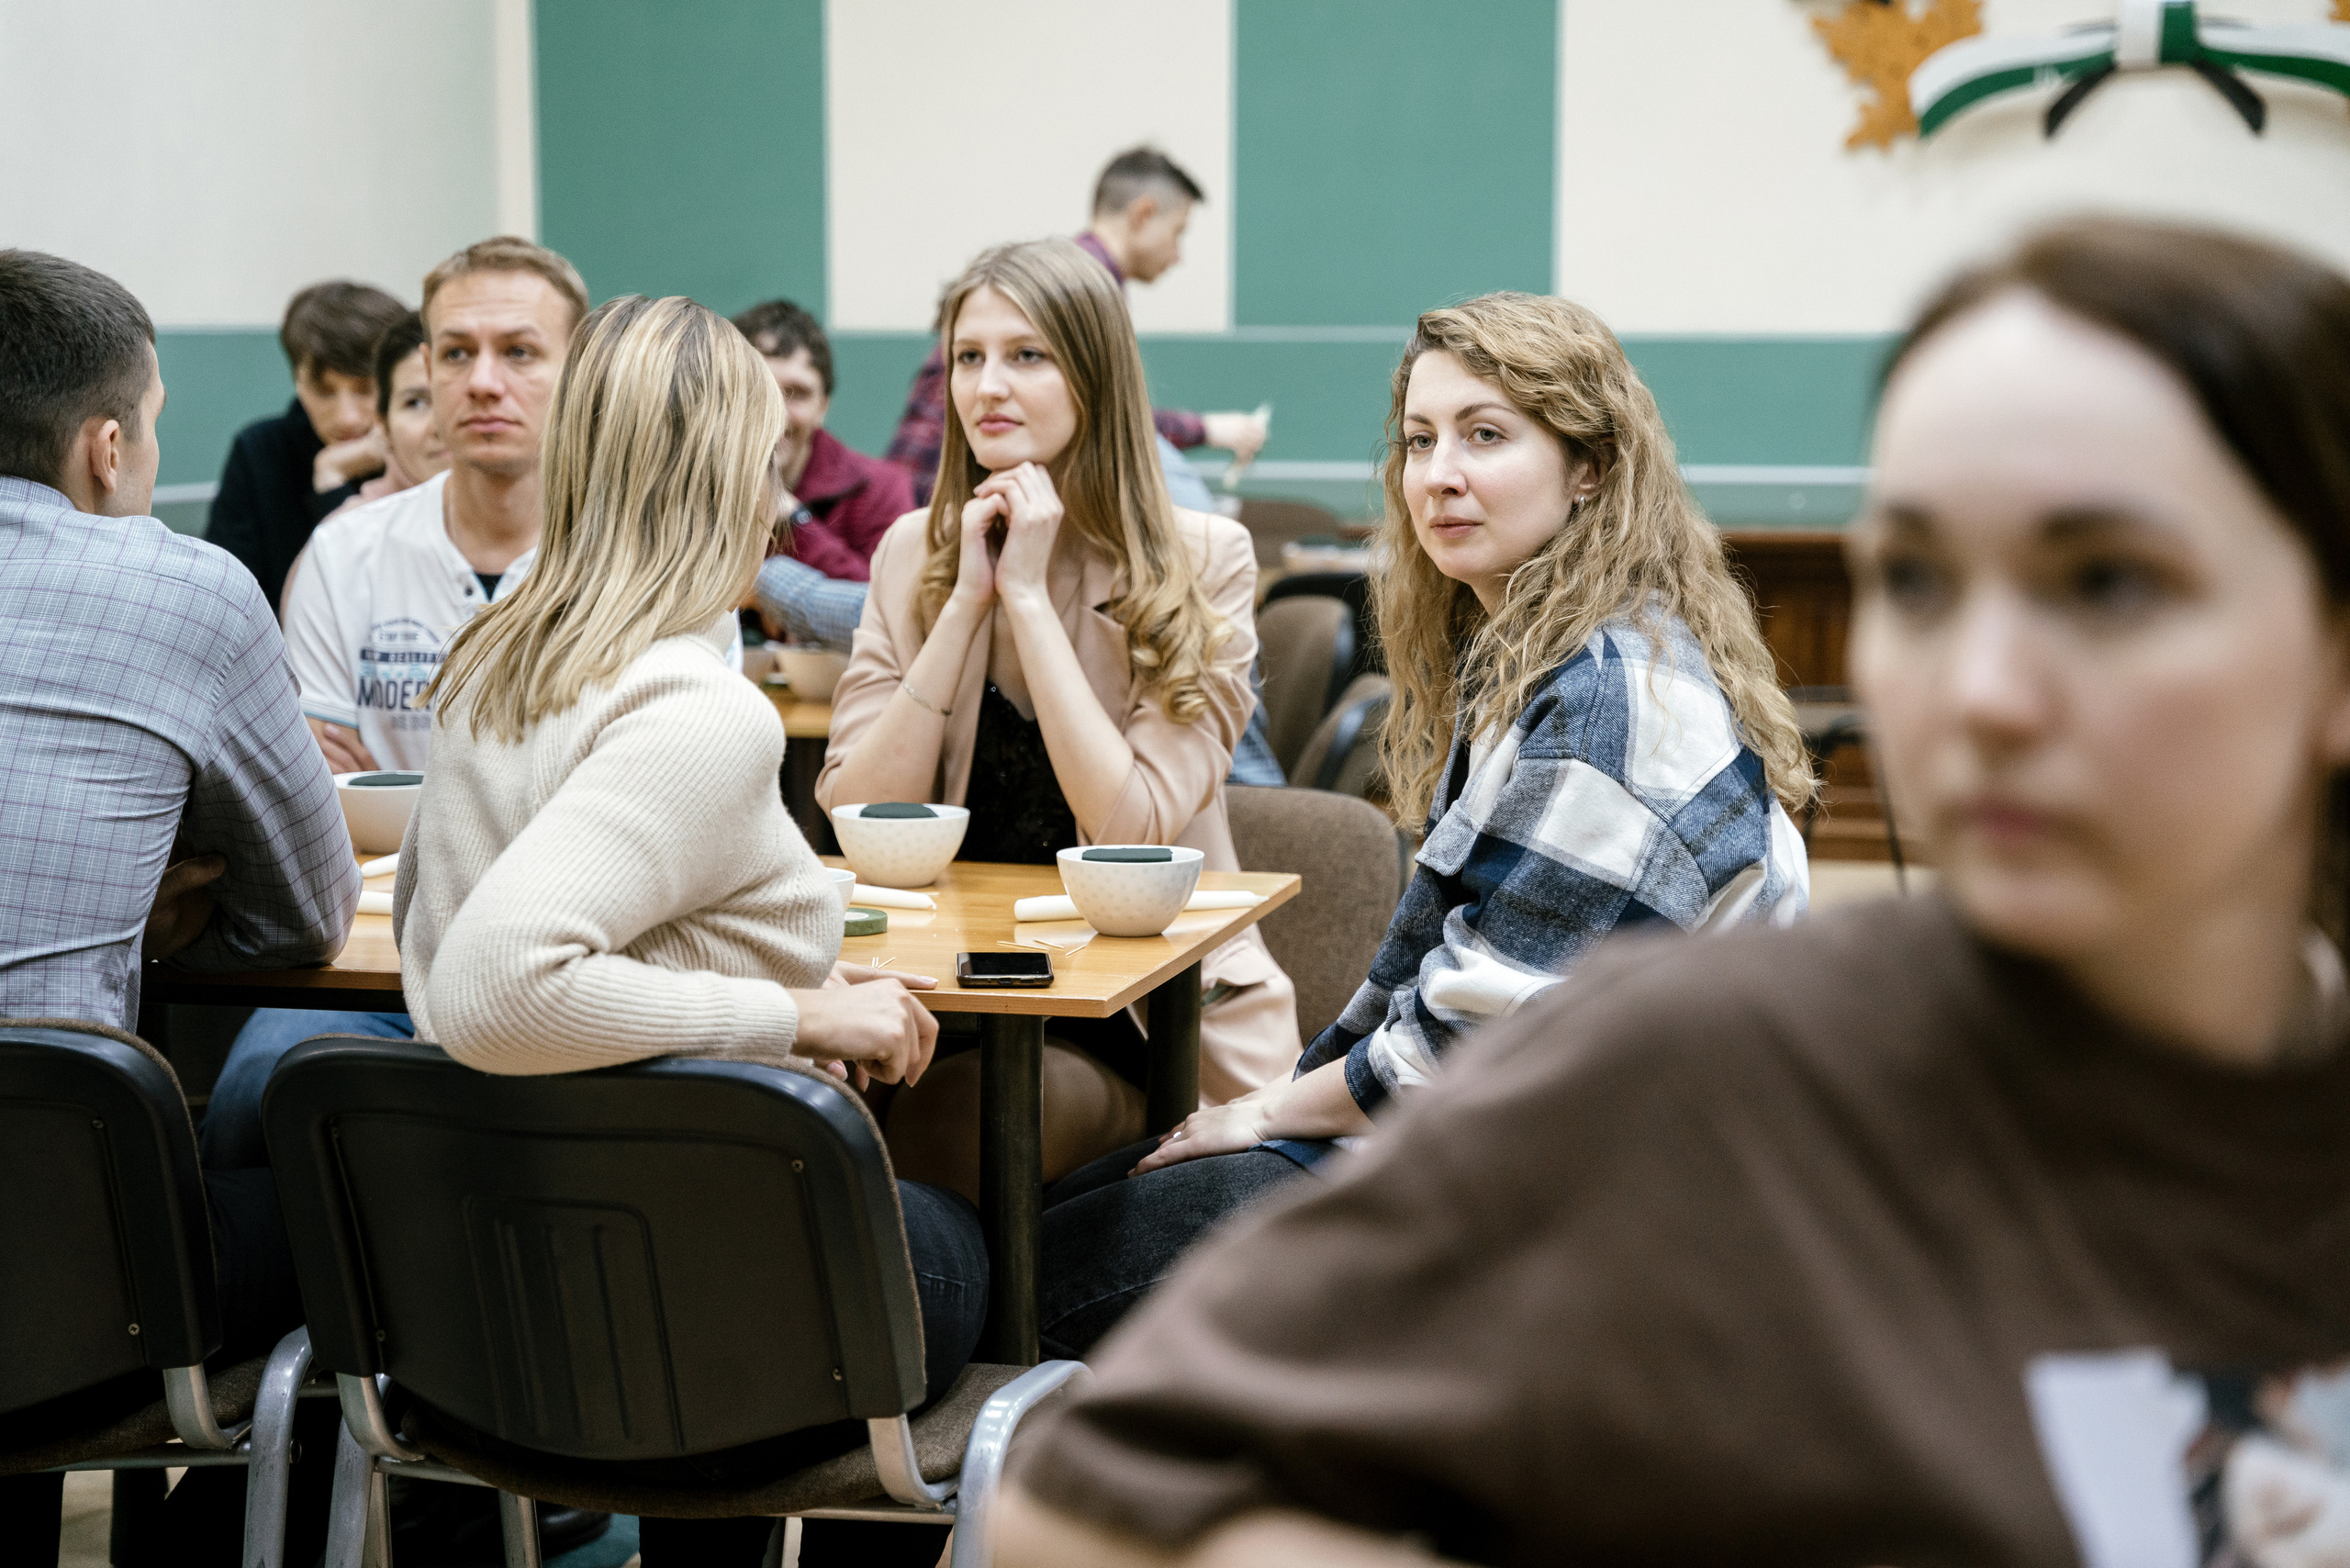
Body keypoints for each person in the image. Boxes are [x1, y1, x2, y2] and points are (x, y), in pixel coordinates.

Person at [996, 217, 2350, 1566]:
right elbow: (1074, 1504)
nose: (1980, 689)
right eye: (1920, 581)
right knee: (1026, 1269)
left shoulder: (1613, 708)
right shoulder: (1718, 1065)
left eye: (2109, 581)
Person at [1032, 291, 1813, 1358]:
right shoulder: (1539, 655)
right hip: (1503, 1142)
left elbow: (1478, 1048)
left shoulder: (1605, 701)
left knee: (1042, 1289)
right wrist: (1272, 1112)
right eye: (1418, 439)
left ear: (1588, 468)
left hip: (1588, 1207)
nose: (1437, 473)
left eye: (1485, 436)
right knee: (1069, 1211)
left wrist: (1266, 1114)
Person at [397, 292, 979, 1568]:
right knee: (1029, 1252)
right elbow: (502, 988)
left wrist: (781, 982)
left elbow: (494, 952)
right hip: (689, 1282)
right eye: (769, 464)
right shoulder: (698, 711)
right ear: (732, 472)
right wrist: (801, 1012)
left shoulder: (493, 660)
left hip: (507, 1285)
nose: (781, 501)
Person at [0, 249, 359, 1563]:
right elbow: (307, 918)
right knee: (348, 1212)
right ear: (105, 446)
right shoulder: (183, 588)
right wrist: (156, 899)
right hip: (64, 1256)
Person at [821, 238, 1301, 1192]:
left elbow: (1131, 828)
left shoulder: (1202, 559)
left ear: (1095, 375)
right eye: (968, 357)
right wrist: (965, 602)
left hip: (1135, 1015)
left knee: (965, 1127)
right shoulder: (913, 551)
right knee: (788, 1114)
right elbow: (861, 818)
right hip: (937, 988)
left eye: (1027, 355)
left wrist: (1032, 601)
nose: (987, 386)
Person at [196, 236, 591, 1174]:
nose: (482, 382)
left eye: (520, 352)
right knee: (257, 1099)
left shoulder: (641, 559)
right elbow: (312, 790)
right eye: (455, 354)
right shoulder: (348, 552)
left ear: (581, 376)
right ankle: (289, 1320)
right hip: (369, 956)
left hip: (581, 953)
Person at [882, 148, 1269, 508]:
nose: (1178, 254)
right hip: (941, 500)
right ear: (1144, 214)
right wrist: (1207, 428)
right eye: (1177, 232)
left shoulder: (1074, 277)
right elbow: (1114, 412)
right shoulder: (1078, 287)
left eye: (1027, 355)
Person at [207, 279, 409, 609]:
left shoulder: (429, 450)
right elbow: (227, 602)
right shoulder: (259, 451)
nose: (347, 418)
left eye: (365, 389)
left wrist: (332, 480)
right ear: (297, 382)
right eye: (324, 391)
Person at [733, 297, 912, 583]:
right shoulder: (689, 484)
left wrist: (793, 521)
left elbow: (889, 608)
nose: (775, 414)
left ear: (823, 407)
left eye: (797, 393)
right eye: (756, 389)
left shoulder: (882, 490)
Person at [319, 309, 448, 521]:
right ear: (384, 425)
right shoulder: (348, 537)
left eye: (457, 397)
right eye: (415, 403)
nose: (440, 426)